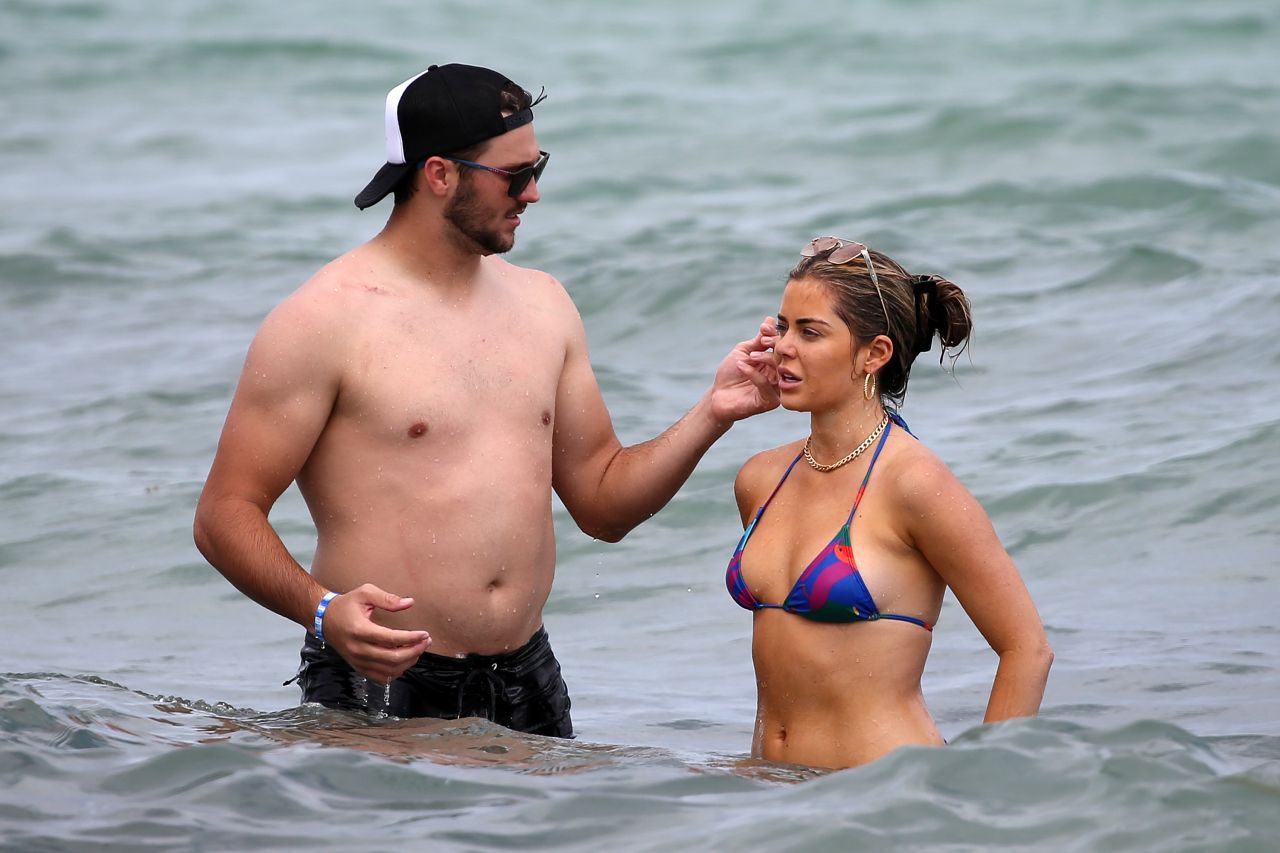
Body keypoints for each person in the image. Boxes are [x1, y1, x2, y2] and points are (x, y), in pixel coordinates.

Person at [193, 63, 779, 739]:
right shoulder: (323, 322)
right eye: (513, 174)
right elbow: (223, 515)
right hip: (381, 683)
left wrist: (714, 410)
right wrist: (322, 610)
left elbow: (602, 503)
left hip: (528, 679)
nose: (533, 193)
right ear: (439, 174)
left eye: (540, 167)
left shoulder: (544, 305)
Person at [725, 236, 1053, 769]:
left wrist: (985, 789)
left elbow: (1027, 649)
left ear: (874, 354)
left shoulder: (914, 482)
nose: (783, 346)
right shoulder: (761, 478)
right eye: (783, 326)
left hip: (880, 797)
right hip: (768, 792)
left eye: (810, 332)